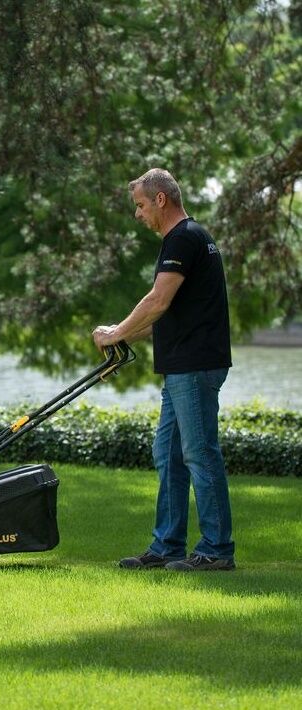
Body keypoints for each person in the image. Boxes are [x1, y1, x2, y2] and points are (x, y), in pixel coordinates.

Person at [93, 168, 235, 571]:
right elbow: (166, 315)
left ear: (160, 199)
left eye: (140, 205)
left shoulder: (184, 238)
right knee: (169, 455)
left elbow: (156, 301)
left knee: (199, 454)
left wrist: (115, 332)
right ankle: (167, 546)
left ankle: (216, 550)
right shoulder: (187, 238)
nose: (137, 214)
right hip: (182, 367)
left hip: (195, 366)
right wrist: (123, 336)